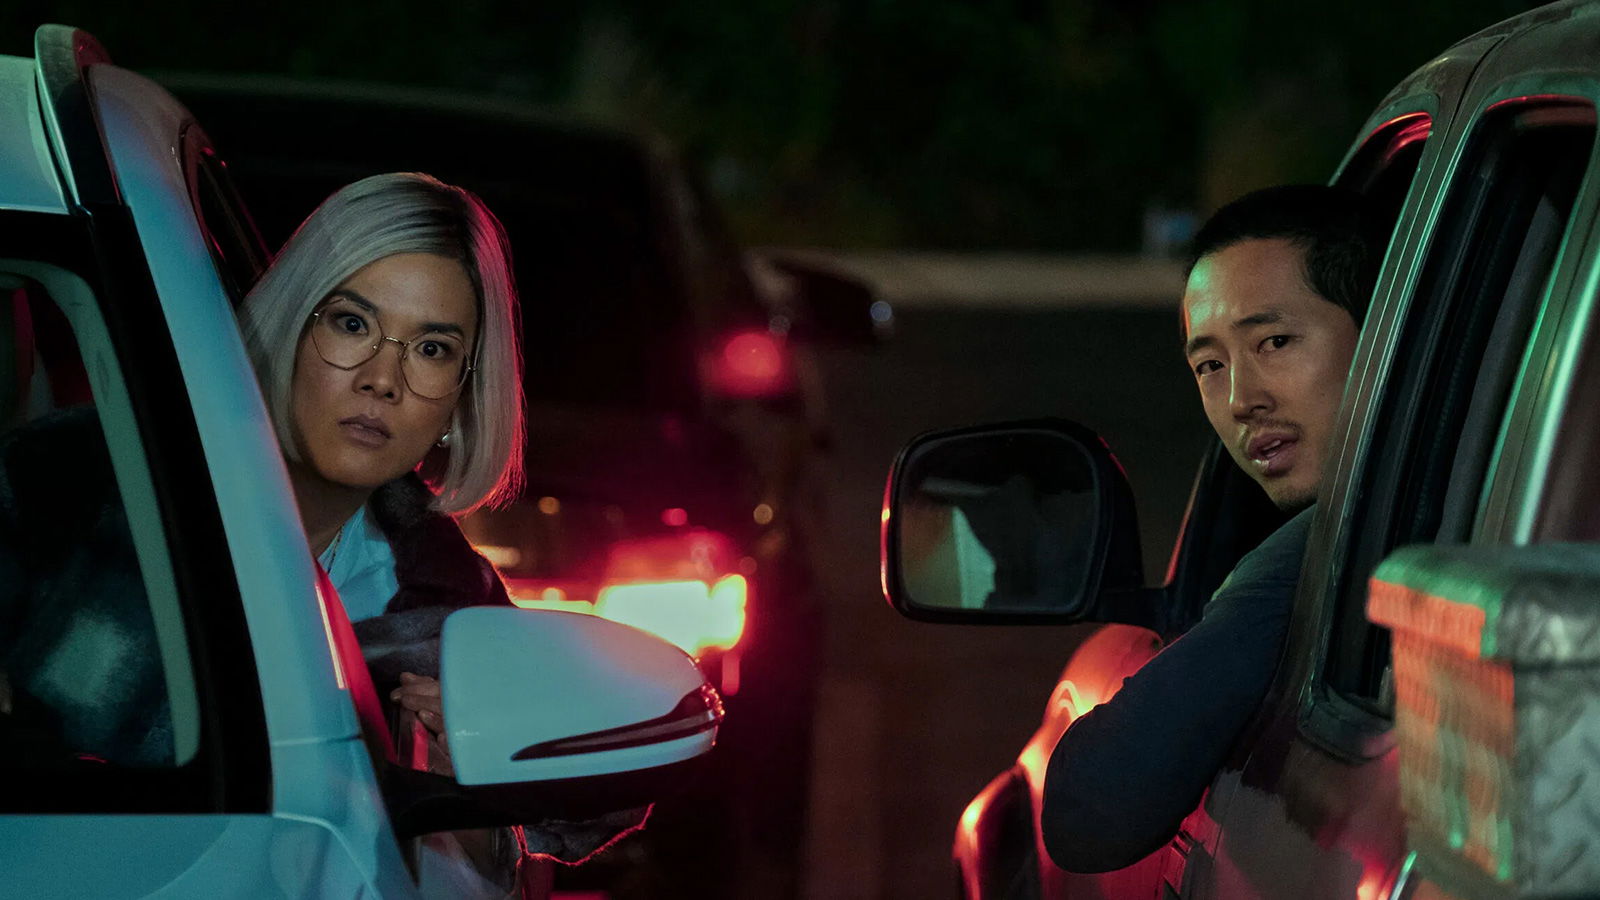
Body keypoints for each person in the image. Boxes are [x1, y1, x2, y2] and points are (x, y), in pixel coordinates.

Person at [237, 173, 641, 894]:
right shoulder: (91, 514)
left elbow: (532, 841)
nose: (383, 379)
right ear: (288, 327)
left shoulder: (452, 616)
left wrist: (478, 796)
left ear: (460, 399)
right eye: (351, 324)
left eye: (430, 349)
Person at [1039, 185, 1388, 872]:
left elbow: (1090, 806)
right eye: (1210, 365)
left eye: (1275, 342)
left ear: (1385, 334)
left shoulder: (1321, 553)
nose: (1240, 400)